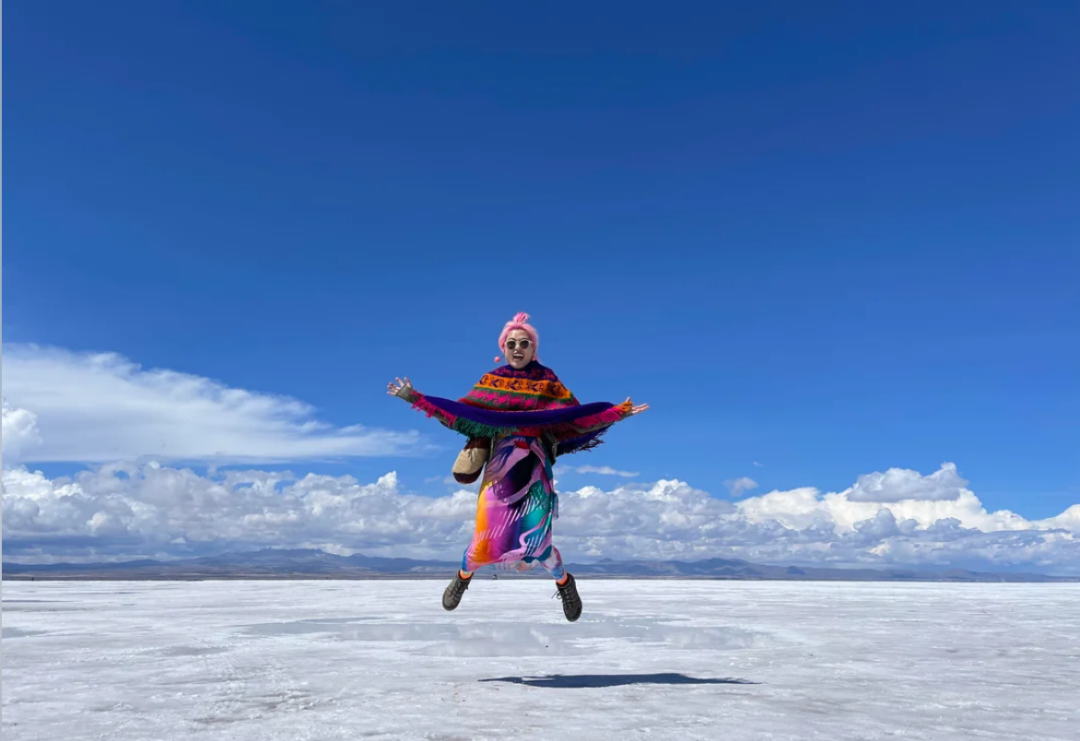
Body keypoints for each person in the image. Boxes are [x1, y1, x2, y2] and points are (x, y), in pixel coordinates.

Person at [387, 312, 648, 622]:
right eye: (511, 343)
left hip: (536, 470)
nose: (518, 348)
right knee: (485, 539)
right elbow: (459, 414)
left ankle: (564, 582)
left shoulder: (547, 381)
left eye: (525, 343)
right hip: (499, 470)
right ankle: (462, 578)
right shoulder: (490, 382)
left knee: (538, 542)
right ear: (504, 347)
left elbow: (575, 419)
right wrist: (413, 397)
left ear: (533, 349)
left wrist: (616, 414)